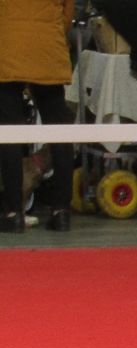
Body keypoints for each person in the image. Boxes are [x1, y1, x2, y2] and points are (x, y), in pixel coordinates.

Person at [0, 0, 77, 234]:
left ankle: (13, 213)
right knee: (59, 131)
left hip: (9, 45)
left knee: (10, 131)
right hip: (48, 47)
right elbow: (67, 14)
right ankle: (61, 211)